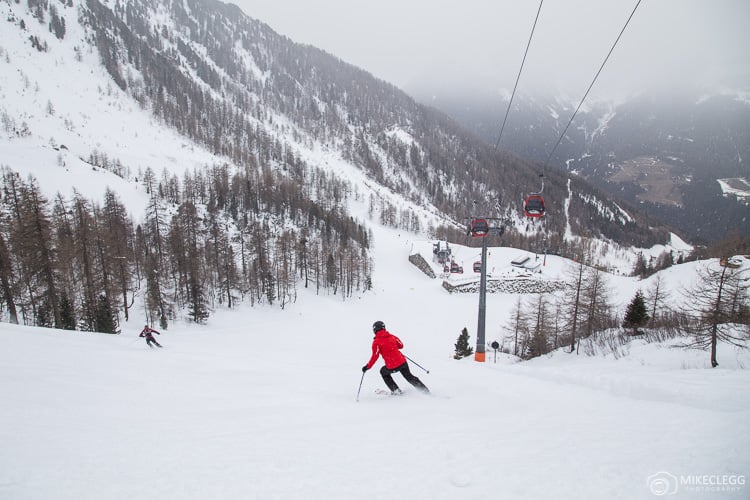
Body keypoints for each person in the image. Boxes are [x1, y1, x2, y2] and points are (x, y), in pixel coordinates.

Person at [362, 321, 429, 395]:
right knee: (409, 377)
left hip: (392, 366)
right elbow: (401, 345)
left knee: (383, 372)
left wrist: (367, 367)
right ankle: (425, 391)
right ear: (384, 328)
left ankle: (396, 390)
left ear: (374, 330)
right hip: (403, 362)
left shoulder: (376, 342)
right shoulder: (392, 336)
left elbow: (375, 356)